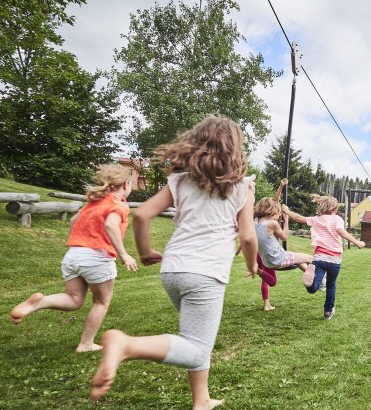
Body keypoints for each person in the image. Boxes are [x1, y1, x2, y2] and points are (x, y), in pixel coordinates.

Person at [90, 116, 259, 410]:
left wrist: (144, 253)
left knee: (196, 337)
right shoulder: (242, 187)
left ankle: (201, 400)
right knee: (195, 348)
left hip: (173, 270)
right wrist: (252, 265)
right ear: (235, 149)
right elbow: (247, 237)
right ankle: (126, 345)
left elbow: (142, 214)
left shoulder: (179, 181)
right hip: (206, 274)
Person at [9, 164, 138, 352]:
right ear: (126, 184)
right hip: (97, 257)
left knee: (74, 299)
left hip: (73, 255)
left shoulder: (93, 203)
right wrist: (124, 254)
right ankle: (86, 344)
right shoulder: (119, 204)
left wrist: (77, 244)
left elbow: (73, 221)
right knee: (101, 302)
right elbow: (111, 226)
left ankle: (41, 302)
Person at [282, 195, 365, 320]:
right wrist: (357, 242)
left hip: (319, 258)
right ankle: (328, 311)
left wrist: (287, 211)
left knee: (315, 286)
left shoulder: (316, 219)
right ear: (333, 209)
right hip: (335, 259)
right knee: (331, 284)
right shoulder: (337, 219)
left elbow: (299, 218)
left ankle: (310, 285)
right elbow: (341, 232)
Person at [247, 177, 312, 311]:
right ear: (272, 210)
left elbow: (273, 203)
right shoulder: (272, 223)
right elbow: (285, 237)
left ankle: (310, 277)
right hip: (278, 258)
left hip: (265, 259)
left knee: (296, 260)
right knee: (309, 258)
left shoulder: (254, 220)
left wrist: (281, 187)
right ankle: (316, 281)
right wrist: (286, 219)